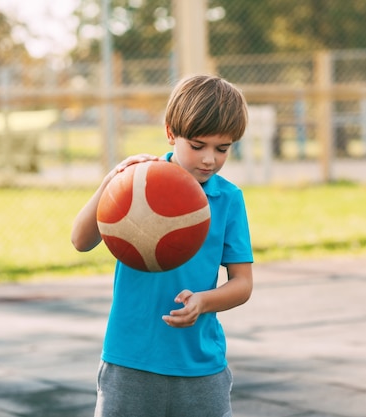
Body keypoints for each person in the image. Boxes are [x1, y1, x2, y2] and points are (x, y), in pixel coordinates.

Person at [71, 74, 254, 417]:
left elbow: (243, 284)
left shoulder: (228, 199)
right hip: (130, 360)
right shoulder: (137, 184)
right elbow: (81, 240)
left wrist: (204, 301)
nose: (209, 159)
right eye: (197, 146)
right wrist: (112, 180)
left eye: (223, 148)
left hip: (199, 364)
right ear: (171, 132)